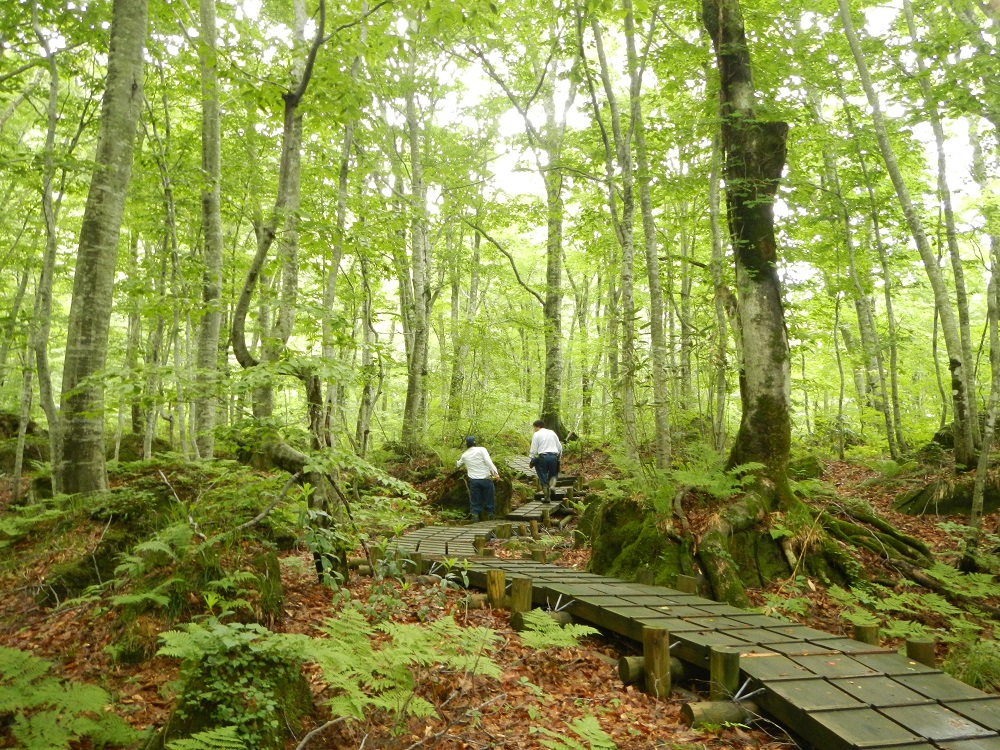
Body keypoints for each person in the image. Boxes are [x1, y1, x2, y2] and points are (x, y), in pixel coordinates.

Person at [456, 436, 500, 520]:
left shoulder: (465, 455)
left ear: (467, 445)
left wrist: (457, 463)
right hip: (486, 478)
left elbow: (458, 464)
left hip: (474, 481)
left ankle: (475, 515)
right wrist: (495, 473)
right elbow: (488, 461)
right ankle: (490, 515)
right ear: (475, 443)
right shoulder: (482, 450)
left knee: (475, 499)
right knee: (489, 497)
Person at [528, 419, 561, 502]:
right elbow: (559, 446)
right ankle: (552, 486)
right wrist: (559, 457)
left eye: (534, 427)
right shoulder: (552, 432)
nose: (534, 429)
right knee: (553, 474)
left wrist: (531, 459)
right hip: (553, 456)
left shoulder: (536, 434)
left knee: (543, 476)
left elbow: (533, 449)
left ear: (537, 426)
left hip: (542, 457)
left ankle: (547, 497)